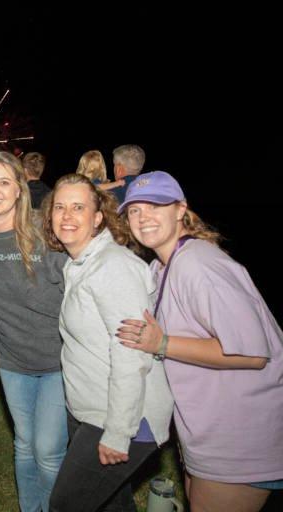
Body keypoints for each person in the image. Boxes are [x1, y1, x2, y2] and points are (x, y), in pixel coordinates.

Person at [117, 171, 283, 512]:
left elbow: (252, 354)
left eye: (155, 205)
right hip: (207, 430)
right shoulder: (166, 266)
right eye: (134, 210)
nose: (143, 216)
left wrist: (161, 344)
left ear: (181, 210)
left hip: (240, 435)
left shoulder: (199, 264)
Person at [42, 173, 173, 512]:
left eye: (78, 207)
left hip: (124, 418)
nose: (67, 216)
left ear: (97, 217)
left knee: (66, 504)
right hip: (94, 409)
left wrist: (118, 432)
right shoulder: (81, 263)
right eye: (60, 207)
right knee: (112, 504)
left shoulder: (113, 266)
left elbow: (132, 354)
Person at [0, 151, 68, 512]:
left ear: (20, 190)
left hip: (59, 361)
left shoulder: (46, 232)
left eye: (4, 182)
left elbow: (82, 283)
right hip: (12, 363)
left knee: (47, 451)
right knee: (24, 444)